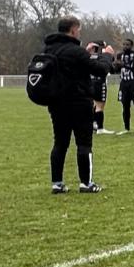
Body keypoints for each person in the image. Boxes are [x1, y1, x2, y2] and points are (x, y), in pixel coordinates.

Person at [43, 15, 115, 193]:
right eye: (79, 29)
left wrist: (85, 52)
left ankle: (57, 183)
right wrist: (106, 56)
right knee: (84, 143)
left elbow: (71, 63)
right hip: (79, 102)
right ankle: (86, 183)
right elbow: (100, 70)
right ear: (73, 30)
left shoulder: (49, 50)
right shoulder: (76, 52)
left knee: (60, 142)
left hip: (56, 103)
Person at [114, 38, 134, 136]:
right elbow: (116, 70)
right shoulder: (119, 55)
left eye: (127, 44)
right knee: (125, 105)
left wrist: (124, 65)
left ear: (131, 45)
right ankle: (126, 128)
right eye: (124, 44)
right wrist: (115, 65)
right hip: (124, 83)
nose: (125, 46)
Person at [88, 41, 113, 134]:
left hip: (90, 82)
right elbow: (108, 67)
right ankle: (100, 128)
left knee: (94, 104)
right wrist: (108, 54)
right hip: (99, 82)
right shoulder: (102, 57)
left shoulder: (88, 56)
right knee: (100, 106)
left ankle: (93, 124)